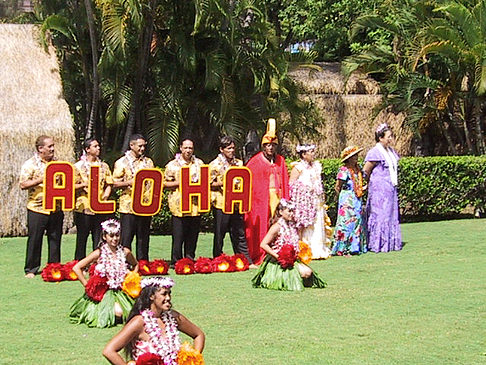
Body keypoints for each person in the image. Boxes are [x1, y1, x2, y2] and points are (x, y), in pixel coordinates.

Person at [103, 276, 205, 365]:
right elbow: (109, 351)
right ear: (151, 296)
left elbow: (198, 335)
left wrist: (193, 359)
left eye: (169, 293)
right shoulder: (139, 322)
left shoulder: (173, 317)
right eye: (164, 294)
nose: (168, 298)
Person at [70, 219, 138, 328]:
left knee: (132, 314)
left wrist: (132, 278)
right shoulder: (99, 253)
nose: (114, 239)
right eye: (111, 236)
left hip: (121, 291)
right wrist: (87, 285)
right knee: (118, 313)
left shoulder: (125, 252)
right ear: (104, 237)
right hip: (104, 292)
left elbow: (136, 265)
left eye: (117, 235)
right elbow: (77, 268)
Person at [252, 199, 326, 291]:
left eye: (293, 211)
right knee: (304, 273)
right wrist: (278, 256)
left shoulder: (292, 225)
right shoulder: (276, 227)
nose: (292, 214)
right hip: (278, 260)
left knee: (308, 272)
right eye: (289, 211)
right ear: (281, 212)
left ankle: (294, 277)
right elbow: (263, 244)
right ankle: (280, 277)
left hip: (291, 259)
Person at [245, 118, 289, 264]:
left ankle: (279, 252)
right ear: (263, 146)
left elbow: (285, 182)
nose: (270, 148)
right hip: (261, 201)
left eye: (273, 145)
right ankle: (261, 254)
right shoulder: (255, 162)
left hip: (278, 198)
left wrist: (286, 201)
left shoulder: (280, 161)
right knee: (262, 225)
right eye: (268, 145)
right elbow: (249, 184)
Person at [19, 135, 64, 278]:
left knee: (55, 238)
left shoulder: (58, 164)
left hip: (55, 208)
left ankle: (54, 268)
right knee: (35, 239)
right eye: (49, 146)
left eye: (53, 146)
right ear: (40, 149)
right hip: (37, 208)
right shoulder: (30, 164)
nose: (52, 149)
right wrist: (41, 179)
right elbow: (23, 184)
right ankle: (31, 269)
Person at [209, 136, 255, 266]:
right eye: (229, 148)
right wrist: (224, 182)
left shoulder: (239, 163)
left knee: (239, 233)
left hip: (236, 203)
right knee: (220, 233)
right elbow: (208, 183)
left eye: (233, 148)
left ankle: (245, 260)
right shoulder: (214, 165)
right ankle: (218, 259)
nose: (232, 151)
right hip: (221, 203)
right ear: (221, 149)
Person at [113, 134, 154, 261]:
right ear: (132, 145)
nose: (142, 148)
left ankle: (143, 263)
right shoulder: (121, 162)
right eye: (140, 146)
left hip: (145, 205)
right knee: (126, 238)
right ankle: (124, 263)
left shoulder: (148, 162)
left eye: (144, 146)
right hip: (128, 206)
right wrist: (129, 183)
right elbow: (114, 183)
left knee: (143, 237)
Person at [164, 138, 204, 265]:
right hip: (179, 206)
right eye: (186, 148)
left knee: (192, 236)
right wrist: (182, 182)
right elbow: (165, 183)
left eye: (190, 148)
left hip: (195, 206)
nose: (188, 150)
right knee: (178, 236)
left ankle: (189, 259)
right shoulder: (172, 165)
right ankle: (176, 261)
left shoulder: (199, 163)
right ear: (180, 148)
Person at [363, 123, 402, 252]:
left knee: (390, 215)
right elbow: (366, 170)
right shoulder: (375, 152)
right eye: (388, 137)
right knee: (380, 216)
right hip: (379, 190)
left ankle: (390, 243)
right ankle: (377, 243)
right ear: (380, 138)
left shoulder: (390, 152)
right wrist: (366, 183)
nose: (390, 139)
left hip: (390, 189)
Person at [289, 144, 332, 259]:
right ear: (303, 154)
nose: (313, 154)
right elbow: (291, 185)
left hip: (316, 200)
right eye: (311, 152)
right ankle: (305, 249)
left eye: (313, 151)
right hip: (304, 202)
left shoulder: (316, 166)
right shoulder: (298, 167)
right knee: (307, 225)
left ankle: (319, 249)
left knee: (318, 223)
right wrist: (304, 192)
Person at [73, 138, 114, 260]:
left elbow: (109, 184)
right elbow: (72, 186)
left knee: (99, 237)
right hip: (84, 207)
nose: (98, 148)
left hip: (100, 206)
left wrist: (105, 196)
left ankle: (98, 263)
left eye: (98, 146)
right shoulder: (77, 166)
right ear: (87, 149)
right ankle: (80, 262)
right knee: (82, 237)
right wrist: (83, 186)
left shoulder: (104, 166)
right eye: (95, 146)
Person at [332, 146, 367, 256]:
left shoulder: (358, 168)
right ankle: (342, 247)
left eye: (356, 156)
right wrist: (341, 200)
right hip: (347, 199)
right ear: (348, 159)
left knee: (357, 221)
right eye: (353, 156)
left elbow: (360, 181)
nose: (356, 158)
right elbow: (338, 186)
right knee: (345, 222)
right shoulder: (344, 170)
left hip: (357, 198)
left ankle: (355, 247)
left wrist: (362, 188)